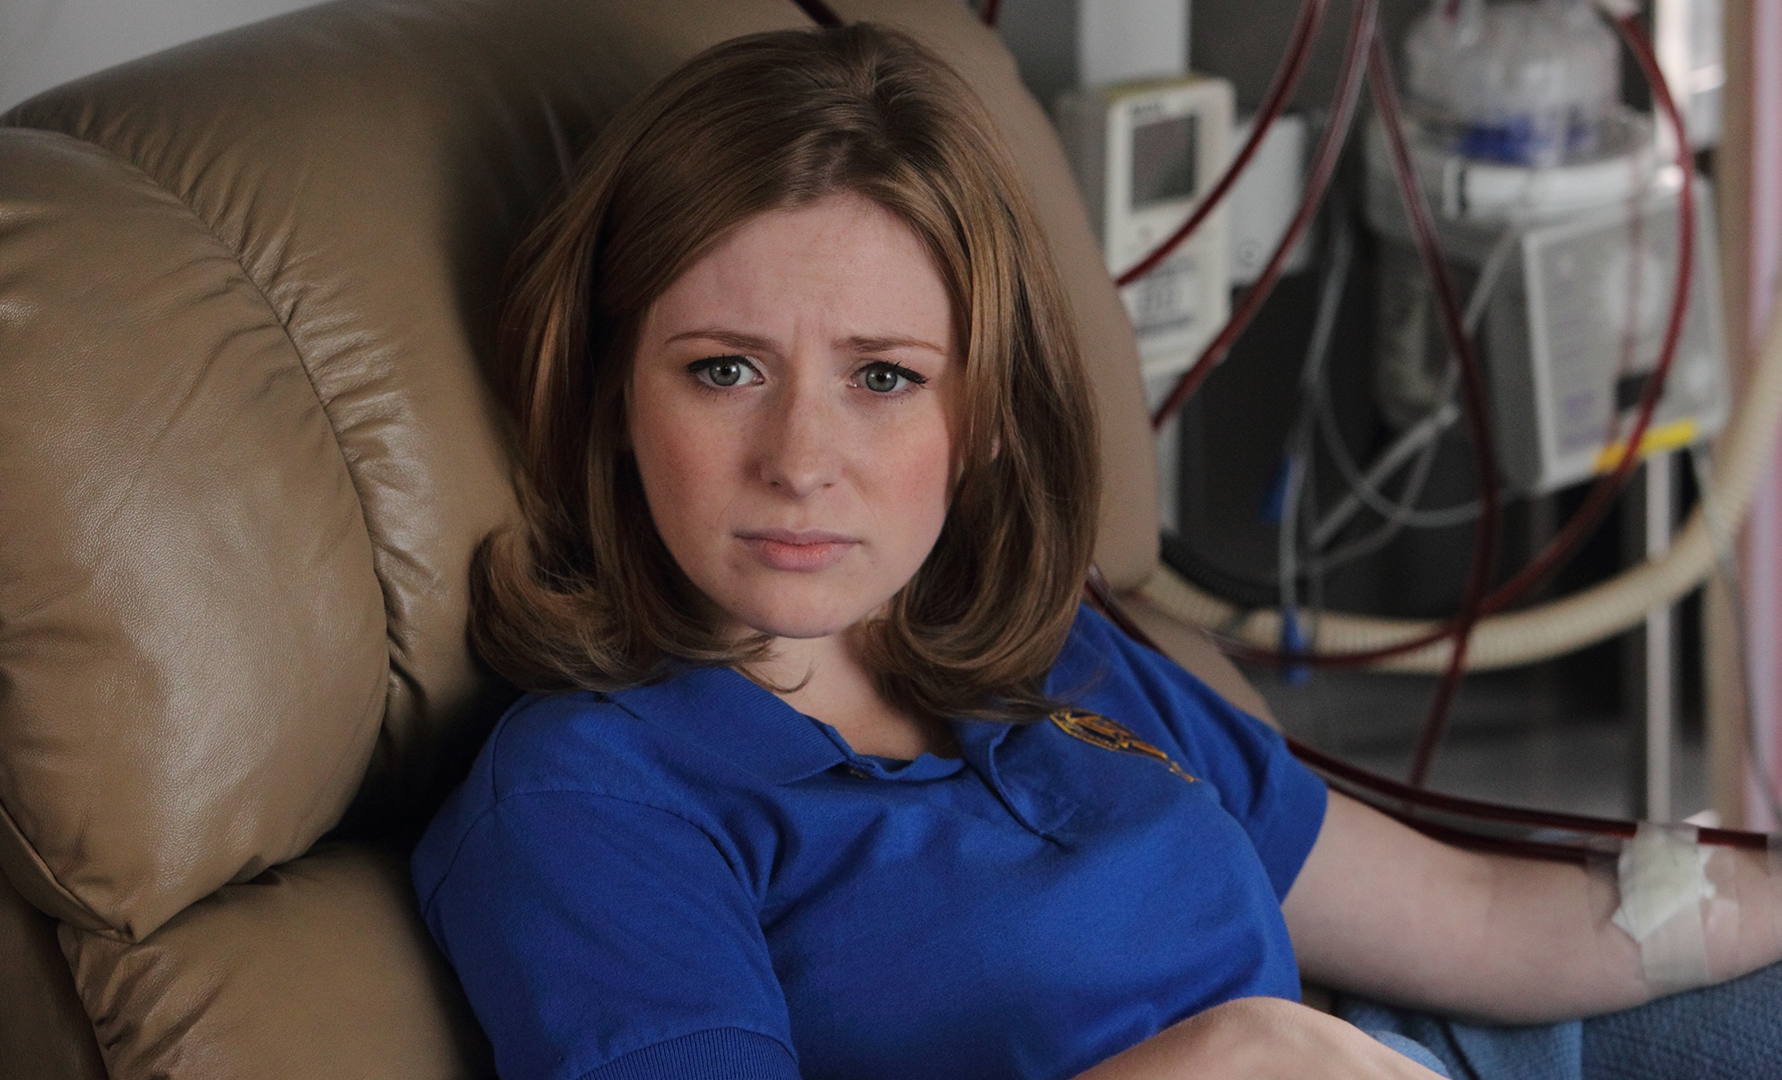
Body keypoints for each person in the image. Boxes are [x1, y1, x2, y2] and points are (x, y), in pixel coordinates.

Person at [412, 23, 1782, 1080]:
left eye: (884, 377)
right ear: (610, 395)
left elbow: (1479, 918)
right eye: (724, 369)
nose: (801, 457)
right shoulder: (593, 799)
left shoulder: (1054, 656)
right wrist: (1227, 1056)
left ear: (980, 416)